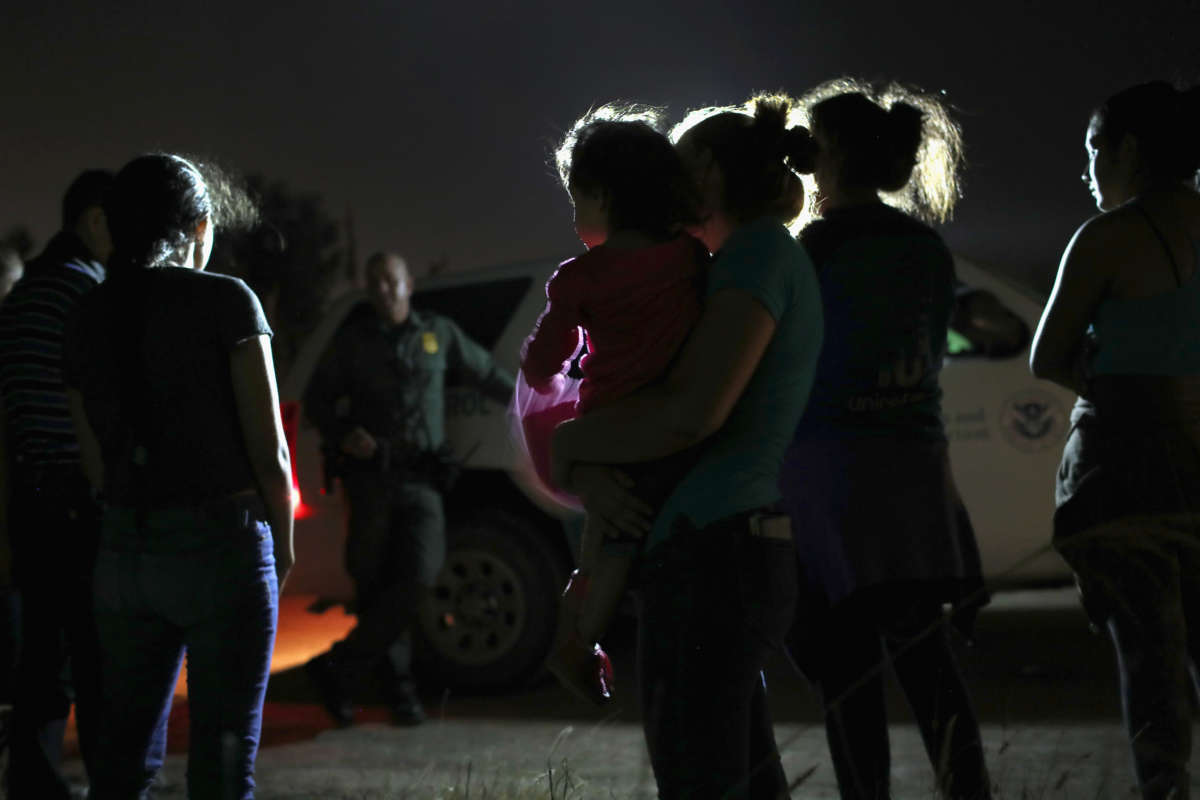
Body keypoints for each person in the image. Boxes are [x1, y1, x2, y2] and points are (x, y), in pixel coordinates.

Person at [550, 94, 823, 798]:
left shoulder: (757, 253)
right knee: (740, 777)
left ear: (704, 169)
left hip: (716, 555)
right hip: (716, 546)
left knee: (699, 776)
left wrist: (574, 442)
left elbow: (690, 413)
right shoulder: (730, 260)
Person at [781, 81, 990, 800]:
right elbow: (926, 366)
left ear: (825, 156)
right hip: (914, 486)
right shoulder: (927, 251)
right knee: (930, 670)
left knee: (847, 681)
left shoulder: (810, 251)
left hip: (829, 490)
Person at [63, 153, 293, 799]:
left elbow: (93, 460)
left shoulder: (85, 316)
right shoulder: (227, 300)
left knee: (122, 765)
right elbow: (270, 448)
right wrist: (283, 546)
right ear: (198, 227)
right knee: (221, 771)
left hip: (125, 552)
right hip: (222, 547)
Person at [1031, 81, 1200, 799]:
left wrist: (1112, 380)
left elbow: (1047, 355)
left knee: (1150, 661)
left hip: (1124, 480)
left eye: (1094, 151)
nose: (1086, 172)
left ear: (1129, 150)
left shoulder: (1110, 236)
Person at [514, 107, 707, 704]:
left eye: (576, 200)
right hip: (673, 421)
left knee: (605, 545)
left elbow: (545, 361)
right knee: (624, 542)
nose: (574, 218)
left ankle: (578, 646)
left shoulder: (579, 278)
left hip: (606, 428)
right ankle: (583, 642)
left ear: (600, 196)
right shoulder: (690, 258)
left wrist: (540, 361)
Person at [303, 251, 515, 727]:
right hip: (371, 481)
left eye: (391, 280)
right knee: (376, 586)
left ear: (409, 284)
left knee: (420, 575)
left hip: (421, 481)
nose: (383, 289)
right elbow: (317, 398)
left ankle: (335, 667)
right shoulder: (354, 342)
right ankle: (397, 695)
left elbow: (486, 374)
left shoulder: (436, 334)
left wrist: (536, 400)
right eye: (375, 282)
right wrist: (343, 433)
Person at [0, 169, 115, 799]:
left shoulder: (22, 298)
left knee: (43, 663)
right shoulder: (87, 295)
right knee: (97, 661)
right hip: (79, 500)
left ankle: (34, 787)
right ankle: (113, 785)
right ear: (95, 221)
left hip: (30, 501)